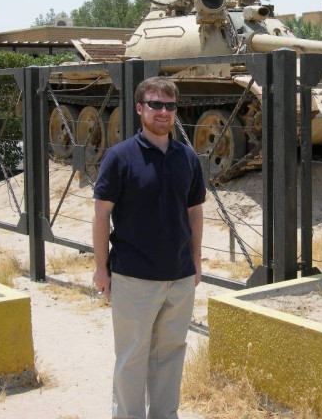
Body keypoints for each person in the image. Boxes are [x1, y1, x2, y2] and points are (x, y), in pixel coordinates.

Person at [92, 76, 206, 419]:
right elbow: (101, 216)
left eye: (170, 106)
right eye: (155, 104)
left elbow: (195, 212)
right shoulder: (119, 157)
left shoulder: (187, 158)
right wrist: (101, 269)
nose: (163, 112)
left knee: (171, 354)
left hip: (180, 278)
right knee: (132, 356)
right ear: (140, 108)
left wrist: (196, 261)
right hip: (134, 277)